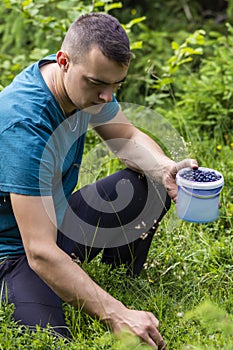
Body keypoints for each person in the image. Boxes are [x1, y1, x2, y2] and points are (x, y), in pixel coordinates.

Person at [0, 12, 198, 349]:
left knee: (151, 182)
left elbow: (125, 138)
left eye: (115, 86)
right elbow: (39, 251)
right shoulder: (25, 125)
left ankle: (112, 278)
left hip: (55, 219)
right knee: (50, 339)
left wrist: (165, 168)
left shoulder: (84, 84)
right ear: (63, 62)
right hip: (14, 252)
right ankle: (96, 296)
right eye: (97, 84)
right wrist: (115, 314)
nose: (107, 97)